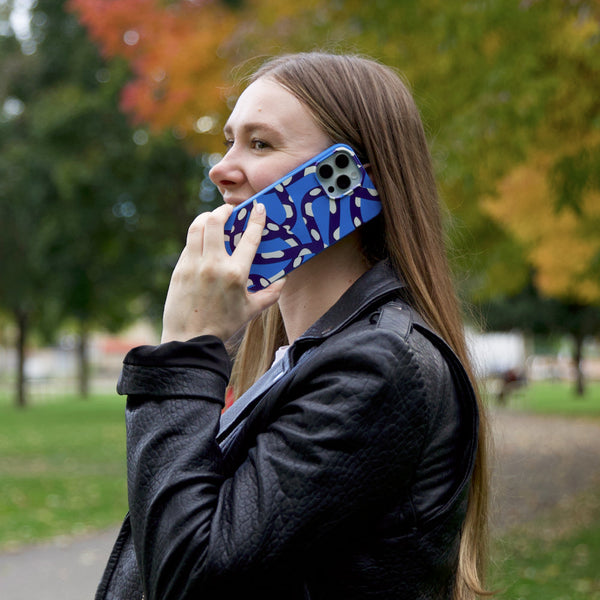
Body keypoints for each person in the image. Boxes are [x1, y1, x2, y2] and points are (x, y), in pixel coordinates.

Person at [96, 52, 490, 600]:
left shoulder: (379, 366)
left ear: (351, 183)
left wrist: (185, 350)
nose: (221, 168)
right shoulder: (299, 356)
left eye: (259, 144)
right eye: (229, 141)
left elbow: (192, 578)